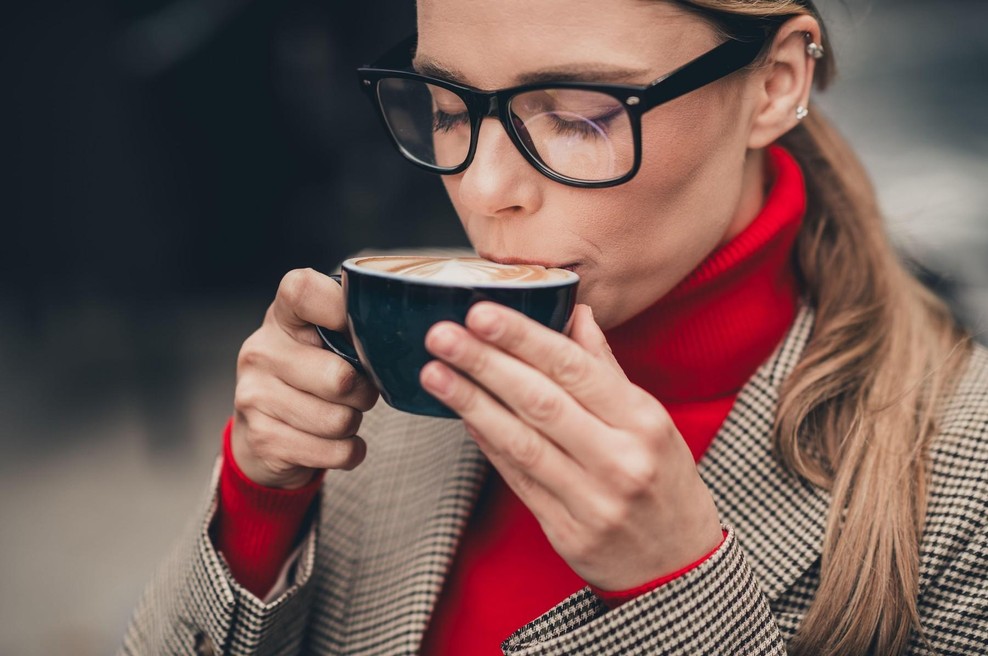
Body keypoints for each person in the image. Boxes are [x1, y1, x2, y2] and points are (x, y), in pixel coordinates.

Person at [121, 1, 988, 654]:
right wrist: (257, 505)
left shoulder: (962, 478)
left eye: (577, 113)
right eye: (451, 109)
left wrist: (677, 590)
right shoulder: (385, 389)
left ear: (775, 83)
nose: (489, 188)